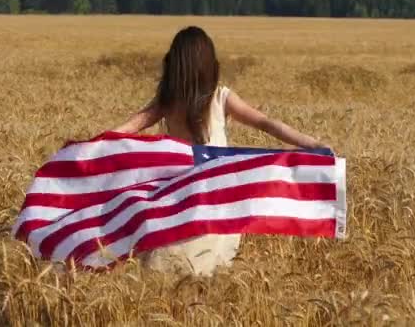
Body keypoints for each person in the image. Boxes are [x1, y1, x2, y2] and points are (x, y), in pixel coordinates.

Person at [114, 26, 330, 276]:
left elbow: (129, 126)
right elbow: (266, 123)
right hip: (217, 203)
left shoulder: (171, 100)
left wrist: (91, 148)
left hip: (180, 202)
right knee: (204, 272)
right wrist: (311, 143)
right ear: (209, 65)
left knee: (170, 268)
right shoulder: (216, 97)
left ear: (175, 64)